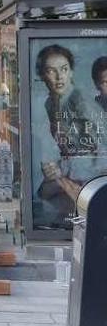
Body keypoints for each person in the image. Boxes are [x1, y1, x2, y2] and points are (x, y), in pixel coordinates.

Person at [36, 45, 98, 226]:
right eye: (51, 71)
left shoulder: (81, 102)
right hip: (71, 170)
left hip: (89, 174)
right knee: (43, 195)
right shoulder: (51, 102)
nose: (59, 76)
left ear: (71, 72)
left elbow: (98, 147)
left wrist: (64, 173)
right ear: (43, 76)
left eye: (64, 69)